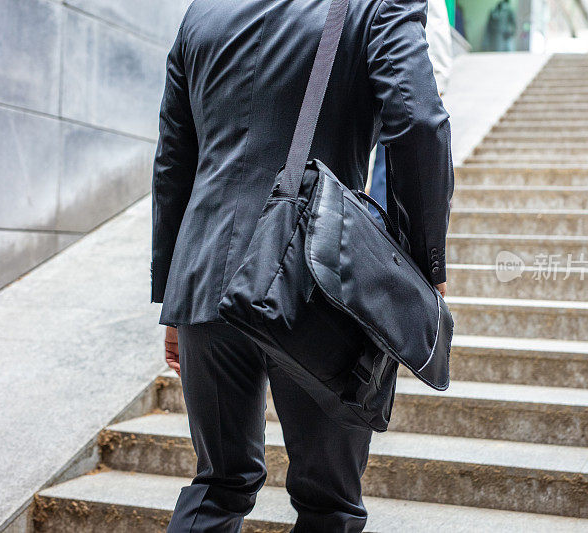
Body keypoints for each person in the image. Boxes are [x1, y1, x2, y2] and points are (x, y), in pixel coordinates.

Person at [151, 0, 453, 531]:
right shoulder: (378, 4)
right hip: (318, 284)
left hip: (205, 280)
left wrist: (174, 298)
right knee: (329, 505)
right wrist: (424, 266)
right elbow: (419, 122)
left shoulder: (203, 12)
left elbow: (174, 158)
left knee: (218, 485)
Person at [368, 0, 454, 224]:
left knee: (389, 162)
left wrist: (438, 82)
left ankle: (380, 225)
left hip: (404, 80)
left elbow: (436, 27)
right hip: (379, 73)